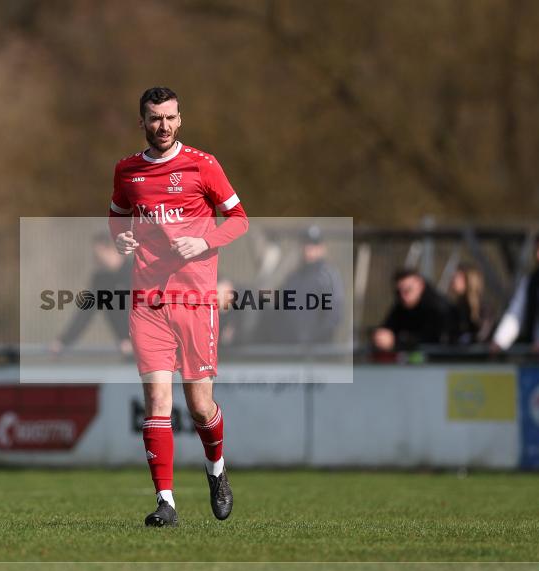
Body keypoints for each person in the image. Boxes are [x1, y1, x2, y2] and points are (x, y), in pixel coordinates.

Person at [108, 87, 249, 527]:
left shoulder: (202, 165)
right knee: (156, 399)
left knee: (200, 405)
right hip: (147, 301)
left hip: (195, 300)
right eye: (155, 118)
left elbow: (240, 220)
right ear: (142, 122)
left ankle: (216, 470)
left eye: (170, 117)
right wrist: (121, 238)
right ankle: (165, 502)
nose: (163, 126)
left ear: (180, 119)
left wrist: (205, 240)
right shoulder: (127, 171)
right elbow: (116, 217)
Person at [255, 225, 344, 345]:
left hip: (315, 353)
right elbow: (281, 306)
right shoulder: (294, 277)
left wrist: (313, 340)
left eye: (314, 245)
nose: (309, 249)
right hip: (290, 348)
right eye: (307, 244)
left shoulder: (328, 276)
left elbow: (333, 316)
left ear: (322, 248)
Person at [50, 233, 133, 355]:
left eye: (97, 255)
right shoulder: (101, 280)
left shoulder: (137, 271)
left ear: (110, 249)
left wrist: (139, 341)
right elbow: (85, 313)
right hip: (128, 350)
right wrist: (63, 341)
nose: (95, 260)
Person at [372, 269, 453, 351]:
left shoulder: (438, 308)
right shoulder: (400, 306)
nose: (403, 296)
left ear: (420, 286)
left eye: (408, 290)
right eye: (398, 292)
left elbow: (433, 339)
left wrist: (396, 340)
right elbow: (387, 327)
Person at [447, 263, 493, 344]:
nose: (452, 280)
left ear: (469, 280)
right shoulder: (455, 308)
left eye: (457, 277)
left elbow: (483, 335)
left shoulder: (483, 309)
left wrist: (468, 340)